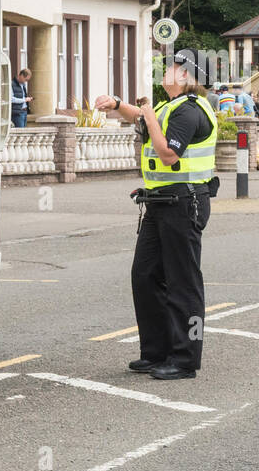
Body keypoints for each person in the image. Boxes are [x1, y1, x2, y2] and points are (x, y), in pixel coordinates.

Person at [93, 48, 217, 380]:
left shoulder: (189, 112)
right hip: (160, 203)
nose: (167, 71)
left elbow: (168, 155)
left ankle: (184, 358)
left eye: (173, 67)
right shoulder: (169, 107)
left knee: (183, 284)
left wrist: (146, 116)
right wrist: (119, 105)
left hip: (184, 203)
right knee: (144, 275)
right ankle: (156, 351)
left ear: (187, 77)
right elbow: (143, 115)